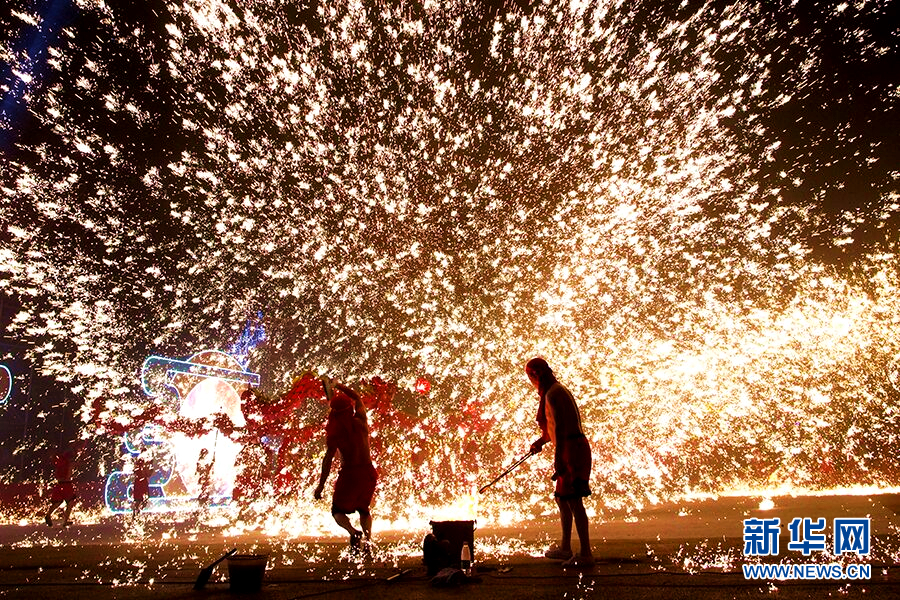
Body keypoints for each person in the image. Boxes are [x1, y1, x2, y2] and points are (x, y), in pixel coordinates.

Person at [526, 357, 595, 567]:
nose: (530, 381)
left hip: (572, 449)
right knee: (562, 499)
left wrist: (559, 460)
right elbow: (554, 429)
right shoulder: (553, 391)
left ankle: (585, 553)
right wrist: (541, 441)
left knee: (574, 501)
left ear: (536, 375)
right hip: (569, 447)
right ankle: (566, 548)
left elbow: (563, 429)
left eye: (530, 376)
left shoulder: (554, 394)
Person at [313, 377, 377, 552]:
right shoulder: (361, 421)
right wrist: (338, 386)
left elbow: (327, 462)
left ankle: (353, 531)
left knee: (337, 511)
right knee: (364, 509)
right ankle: (369, 541)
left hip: (350, 474)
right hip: (369, 472)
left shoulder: (335, 433)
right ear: (350, 409)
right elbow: (357, 397)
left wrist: (320, 486)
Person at [44, 440, 85, 527]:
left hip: (59, 484)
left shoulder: (60, 462)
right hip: (67, 484)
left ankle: (48, 514)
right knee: (70, 503)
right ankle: (65, 521)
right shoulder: (68, 463)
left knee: (57, 502)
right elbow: (73, 467)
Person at [131, 451, 152, 522]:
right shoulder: (139, 462)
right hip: (139, 482)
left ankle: (136, 515)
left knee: (142, 500)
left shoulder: (147, 462)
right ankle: (135, 517)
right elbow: (135, 471)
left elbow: (148, 473)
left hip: (142, 482)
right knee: (138, 500)